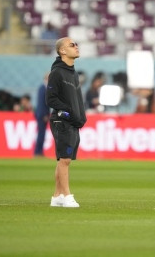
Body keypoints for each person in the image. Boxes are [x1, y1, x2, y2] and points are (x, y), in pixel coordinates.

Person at [46, 37, 87, 208]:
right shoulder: (57, 73)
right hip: (62, 121)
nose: (76, 47)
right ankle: (68, 195)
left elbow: (77, 99)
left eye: (76, 44)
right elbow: (51, 99)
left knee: (64, 160)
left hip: (72, 122)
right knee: (65, 160)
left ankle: (57, 196)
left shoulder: (72, 72)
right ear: (62, 51)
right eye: (72, 45)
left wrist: (81, 116)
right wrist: (69, 113)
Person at [34, 72, 50, 157]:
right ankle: (38, 152)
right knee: (41, 133)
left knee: (42, 133)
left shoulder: (44, 88)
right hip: (41, 114)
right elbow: (42, 104)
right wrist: (44, 115)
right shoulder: (43, 88)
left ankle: (39, 152)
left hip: (41, 114)